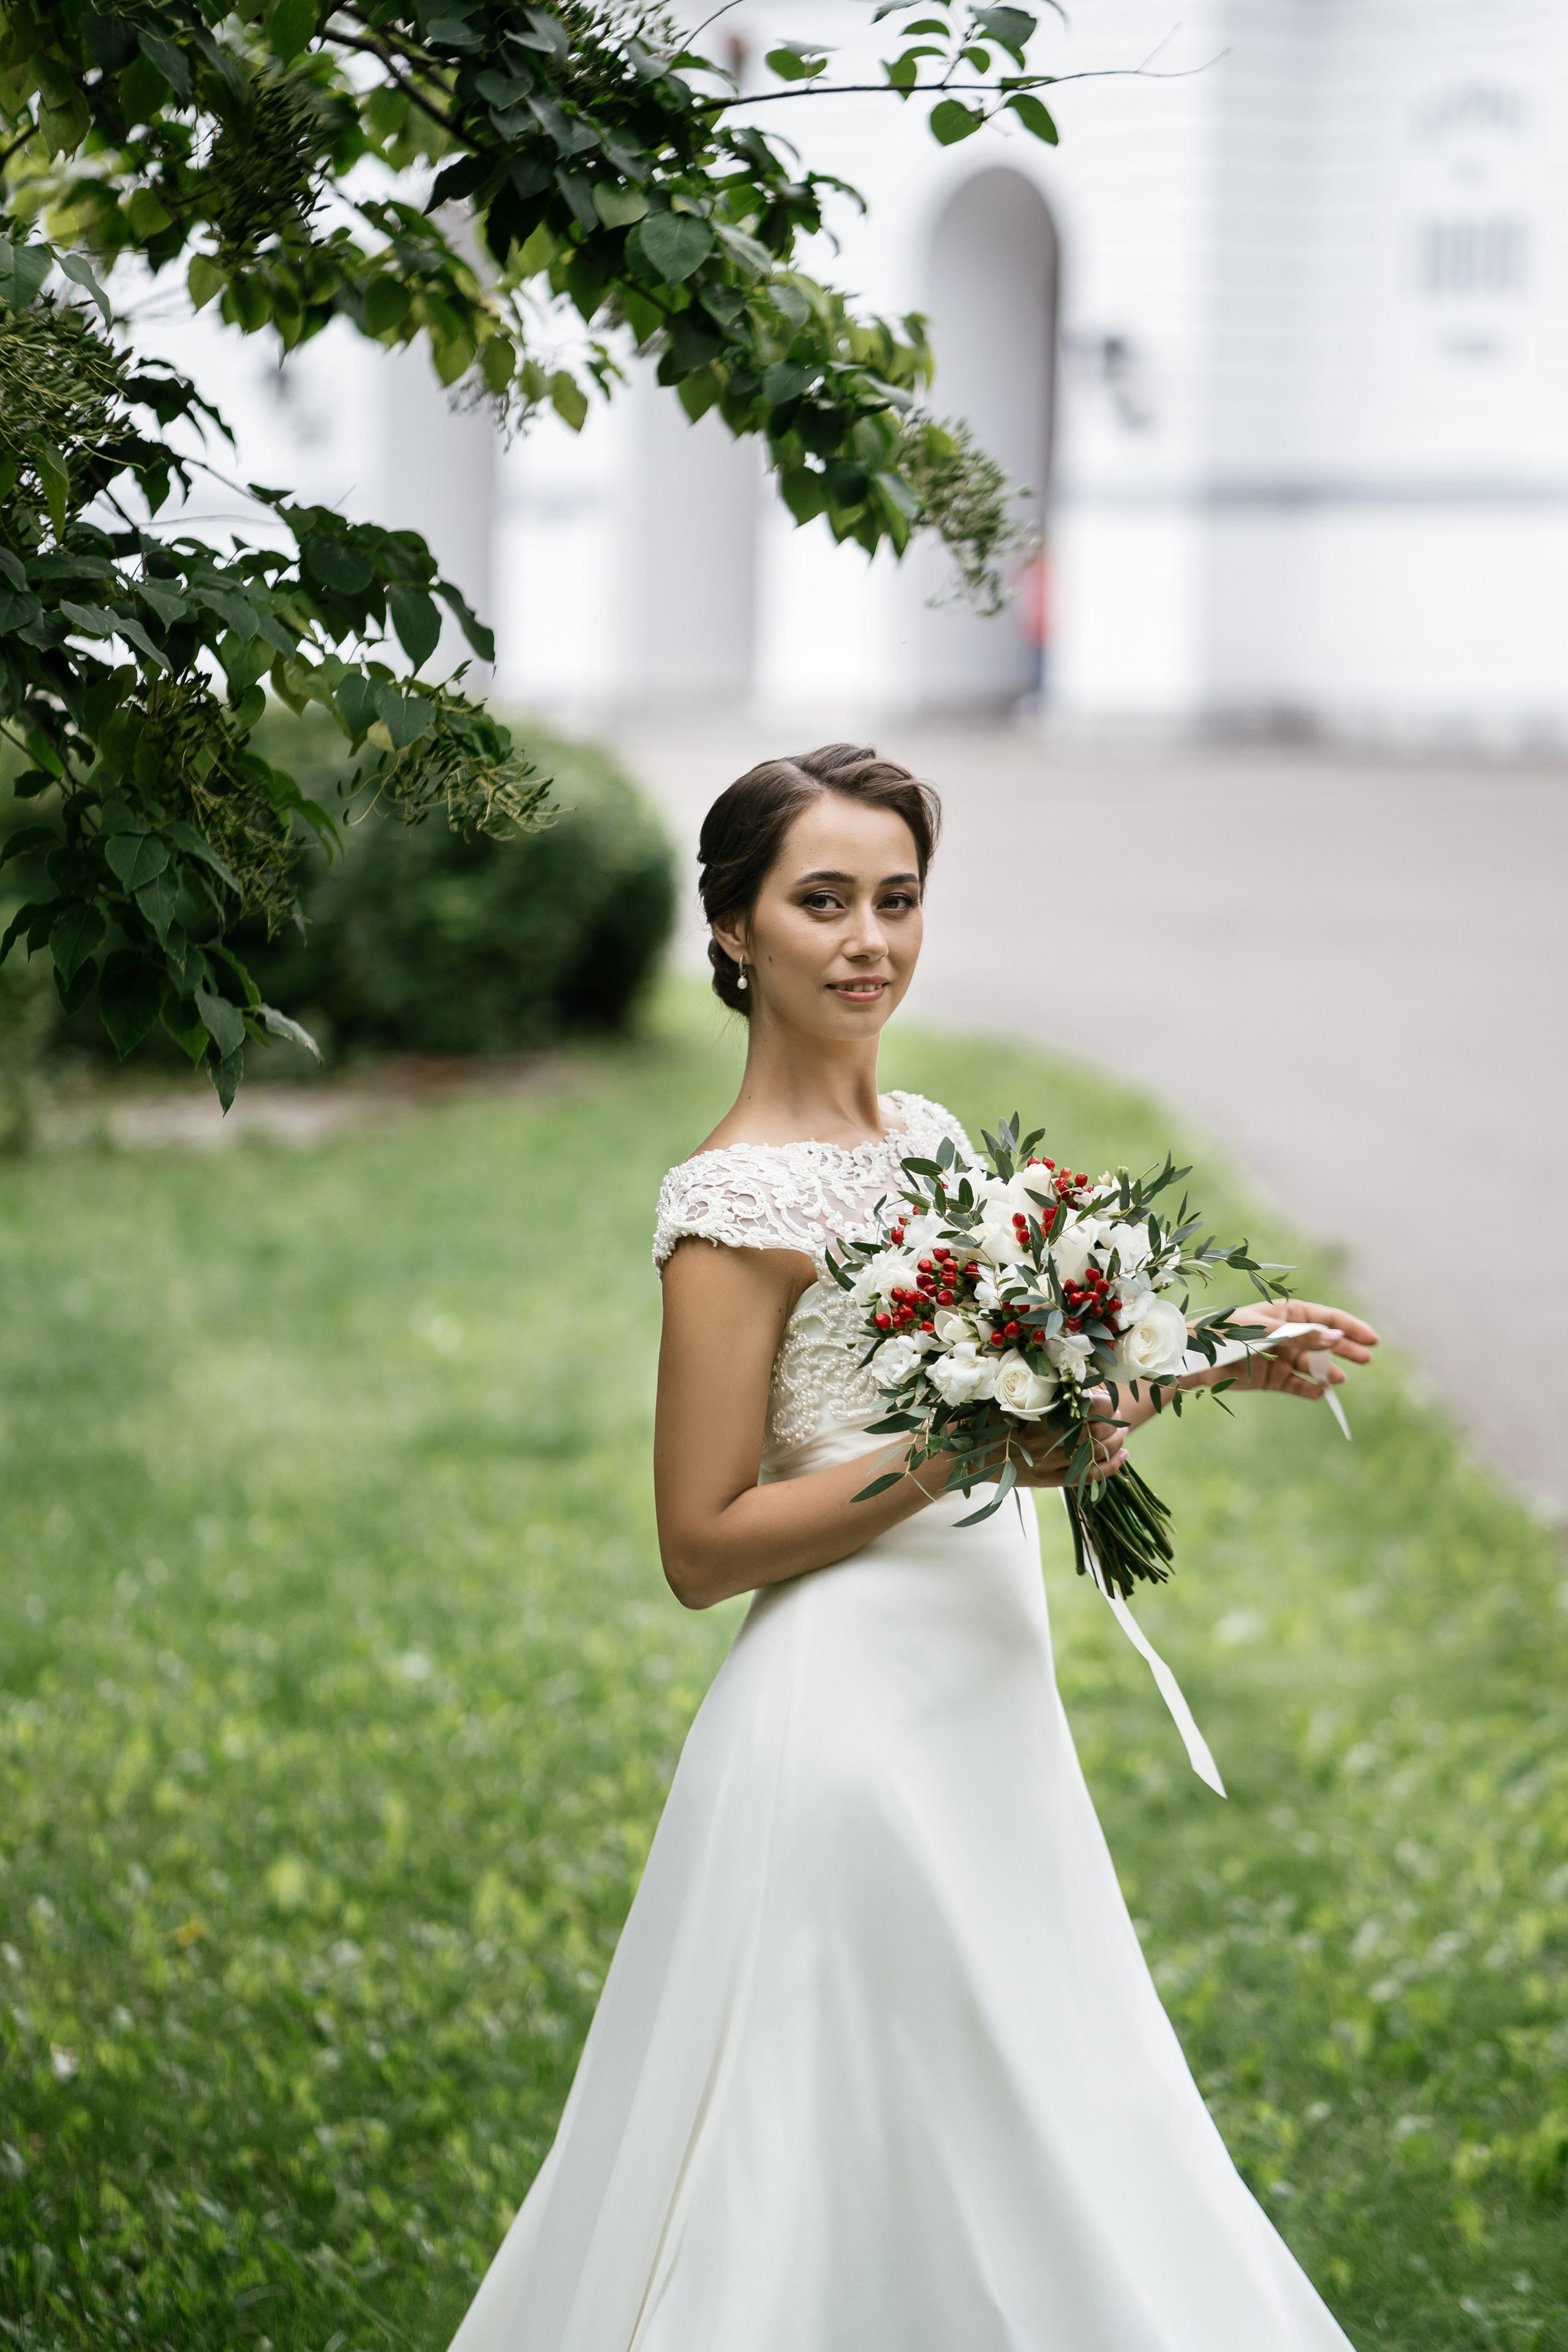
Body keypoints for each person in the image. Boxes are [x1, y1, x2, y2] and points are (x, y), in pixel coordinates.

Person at [450, 744, 1379, 2351]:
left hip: (989, 1704)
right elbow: (702, 1541)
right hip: (849, 1729)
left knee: (1040, 2104)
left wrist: (1196, 1357)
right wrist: (968, 1445)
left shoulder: (943, 1139)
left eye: (898, 898)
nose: (869, 938)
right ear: (736, 931)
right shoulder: (734, 1206)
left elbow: (1032, 1389)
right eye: (822, 902)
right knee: (838, 2149)